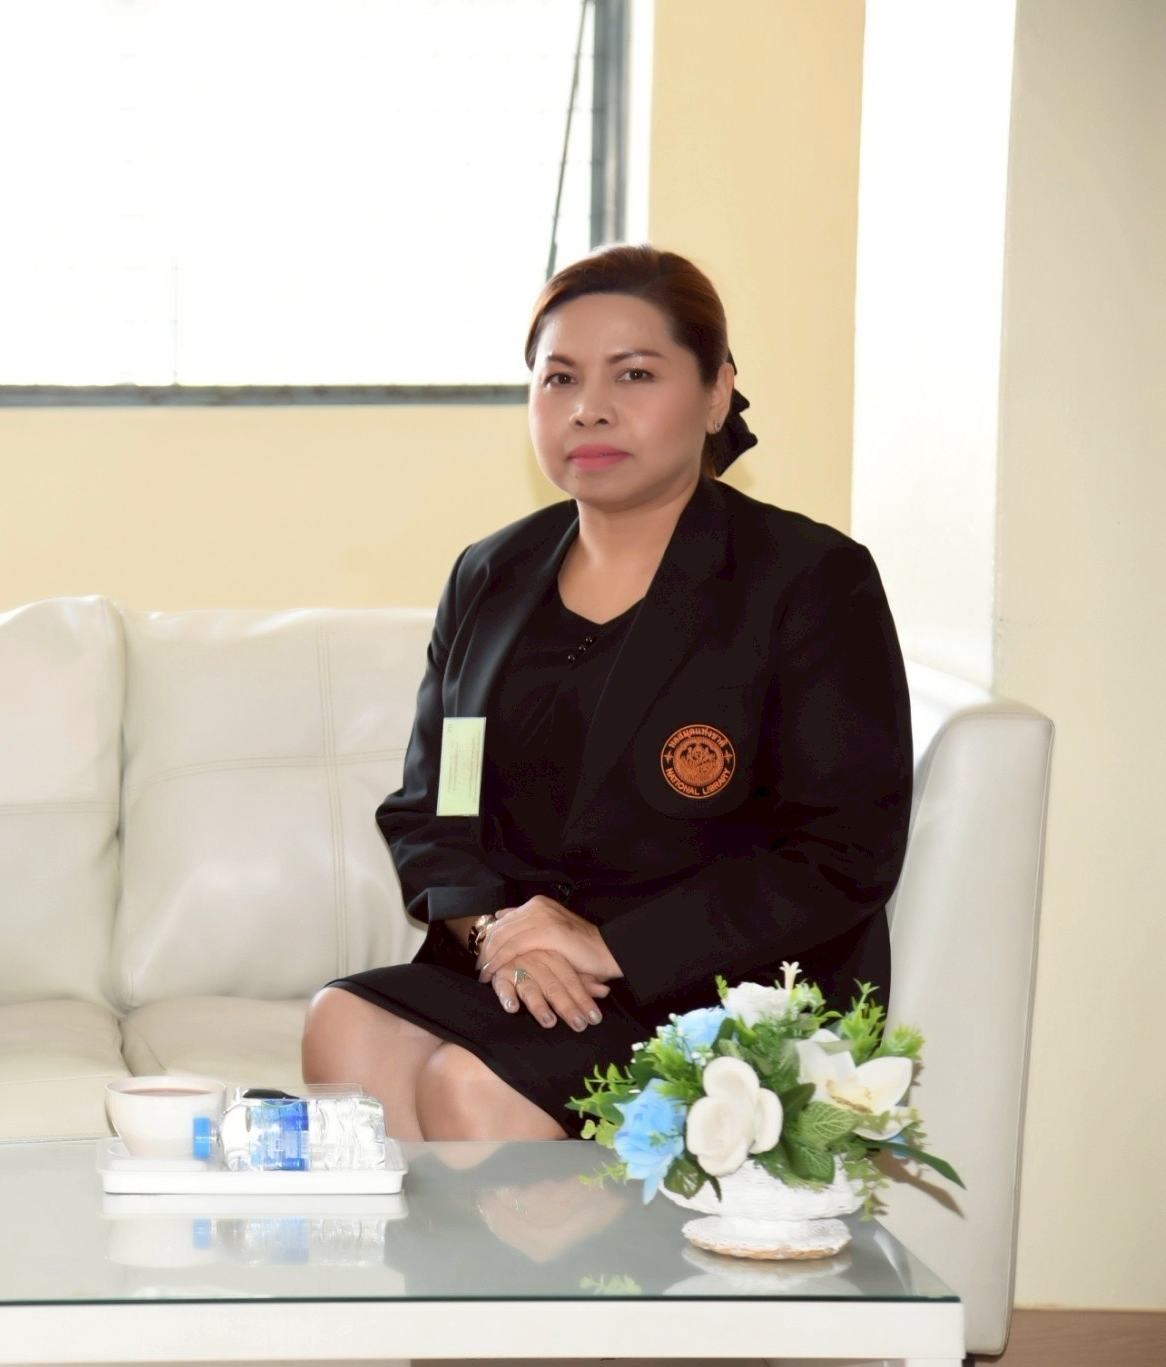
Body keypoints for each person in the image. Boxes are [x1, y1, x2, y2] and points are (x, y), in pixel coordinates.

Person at [300, 245, 912, 1143]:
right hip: (522, 973)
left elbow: (842, 853)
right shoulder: (490, 575)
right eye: (559, 378)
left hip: (711, 986)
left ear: (716, 392)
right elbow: (437, 807)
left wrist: (610, 944)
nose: (588, 406)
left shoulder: (810, 580)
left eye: (634, 373)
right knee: (344, 1022)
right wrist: (496, 935)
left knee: (470, 1086)